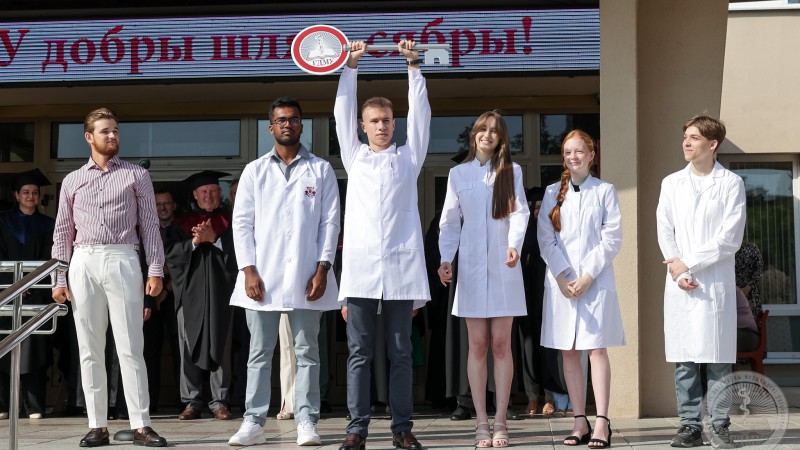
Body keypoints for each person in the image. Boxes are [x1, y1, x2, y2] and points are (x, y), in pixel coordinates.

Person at [50, 107, 167, 447]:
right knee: (89, 348)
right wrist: (60, 278)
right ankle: (97, 424)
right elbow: (61, 232)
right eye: (105, 131)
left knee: (131, 346)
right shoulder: (72, 180)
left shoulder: (135, 175)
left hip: (122, 258)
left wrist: (155, 270)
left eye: (115, 130)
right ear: (89, 137)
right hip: (83, 259)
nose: (112, 136)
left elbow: (150, 226)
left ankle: (141, 424)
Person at [227, 97, 340, 446]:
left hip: (308, 277)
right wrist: (248, 270)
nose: (287, 124)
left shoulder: (320, 170)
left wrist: (322, 269)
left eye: (293, 119)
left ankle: (307, 420)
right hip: (261, 276)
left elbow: (331, 222)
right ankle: (253, 422)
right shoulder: (255, 170)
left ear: (302, 125)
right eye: (280, 120)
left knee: (307, 352)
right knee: (259, 352)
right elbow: (241, 224)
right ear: (271, 127)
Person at [334, 39, 430, 450]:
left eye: (387, 120)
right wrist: (350, 67)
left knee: (400, 353)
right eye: (374, 120)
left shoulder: (409, 158)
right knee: (359, 354)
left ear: (395, 123)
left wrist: (413, 67)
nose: (382, 126)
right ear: (362, 125)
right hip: (359, 270)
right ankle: (356, 429)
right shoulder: (354, 158)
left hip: (401, 270)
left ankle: (402, 429)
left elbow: (422, 116)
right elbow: (340, 110)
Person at [437, 111, 529, 447]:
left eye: (494, 131)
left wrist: (513, 246)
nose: (487, 135)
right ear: (474, 134)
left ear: (502, 138)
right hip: (473, 270)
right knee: (477, 346)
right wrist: (446, 258)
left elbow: (520, 212)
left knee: (502, 345)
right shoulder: (458, 173)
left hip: (504, 267)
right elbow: (449, 220)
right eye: (482, 130)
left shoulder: (511, 171)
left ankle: (501, 420)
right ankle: (480, 421)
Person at [656, 115, 745, 449]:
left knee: (718, 358)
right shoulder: (671, 184)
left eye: (694, 138)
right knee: (686, 360)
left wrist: (689, 263)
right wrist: (681, 271)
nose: (686, 143)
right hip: (681, 282)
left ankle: (720, 426)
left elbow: (729, 239)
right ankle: (689, 426)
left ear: (713, 144)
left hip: (714, 282)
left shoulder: (731, 184)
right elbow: (665, 228)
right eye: (685, 137)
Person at [538, 129, 625, 449]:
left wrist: (587, 276)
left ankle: (602, 421)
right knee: (569, 349)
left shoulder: (605, 191)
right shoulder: (551, 192)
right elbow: (545, 238)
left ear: (591, 155)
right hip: (562, 284)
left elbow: (612, 238)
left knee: (597, 348)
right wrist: (563, 275)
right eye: (568, 152)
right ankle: (579, 419)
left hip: (595, 281)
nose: (573, 157)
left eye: (579, 152)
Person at [164, 170, 237, 421]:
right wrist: (194, 242)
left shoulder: (231, 222)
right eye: (204, 192)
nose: (209, 195)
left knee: (222, 346)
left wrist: (214, 239)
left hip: (222, 294)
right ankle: (191, 401)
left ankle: (220, 402)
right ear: (195, 196)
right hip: (190, 295)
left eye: (213, 191)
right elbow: (171, 256)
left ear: (220, 195)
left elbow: (241, 256)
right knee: (188, 346)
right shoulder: (181, 225)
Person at [0, 169, 55, 420]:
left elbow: (49, 257)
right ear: (16, 195)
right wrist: (12, 284)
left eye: (34, 192)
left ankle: (34, 405)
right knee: (3, 348)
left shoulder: (47, 224)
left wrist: (31, 283)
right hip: (5, 293)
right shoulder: (2, 222)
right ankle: (3, 405)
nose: (30, 196)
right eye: (26, 192)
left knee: (35, 350)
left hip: (36, 294)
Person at [735, 242, 763, 352]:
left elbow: (759, 269)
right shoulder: (728, 248)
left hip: (750, 292)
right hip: (732, 290)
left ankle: (753, 352)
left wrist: (749, 286)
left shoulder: (752, 247)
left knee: (751, 321)